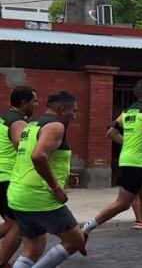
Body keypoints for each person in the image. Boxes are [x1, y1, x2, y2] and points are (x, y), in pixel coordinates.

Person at [82, 79, 142, 255]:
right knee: (122, 204)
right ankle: (85, 229)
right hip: (137, 163)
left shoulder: (127, 112)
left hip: (129, 159)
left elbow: (110, 132)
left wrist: (129, 145)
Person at [7, 91, 85, 268]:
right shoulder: (56, 126)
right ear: (63, 109)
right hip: (40, 197)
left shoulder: (31, 125)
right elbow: (38, 156)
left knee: (33, 248)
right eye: (74, 111)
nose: (74, 116)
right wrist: (56, 187)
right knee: (75, 240)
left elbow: (33, 156)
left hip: (19, 194)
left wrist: (65, 175)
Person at [0, 86, 38, 267]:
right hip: (7, 177)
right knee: (18, 224)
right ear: (24, 103)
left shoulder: (4, 117)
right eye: (34, 101)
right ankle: (3, 262)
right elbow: (21, 148)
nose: (37, 105)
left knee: (9, 223)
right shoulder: (18, 122)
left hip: (1, 176)